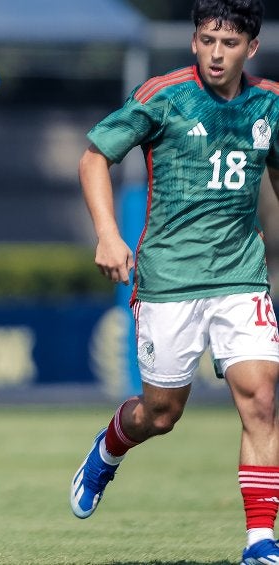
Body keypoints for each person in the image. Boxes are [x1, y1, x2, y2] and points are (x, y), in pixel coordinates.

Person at [68, 1, 279, 563]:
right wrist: (109, 235)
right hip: (169, 280)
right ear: (194, 41)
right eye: (207, 39)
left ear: (250, 49)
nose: (216, 52)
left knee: (261, 398)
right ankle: (109, 449)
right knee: (161, 414)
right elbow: (94, 158)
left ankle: (260, 539)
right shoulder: (162, 94)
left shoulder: (270, 104)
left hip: (241, 276)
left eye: (229, 43)